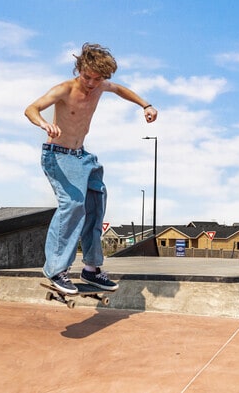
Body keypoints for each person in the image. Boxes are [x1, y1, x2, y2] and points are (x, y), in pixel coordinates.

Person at [24, 43, 158, 294]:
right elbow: (31, 109)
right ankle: (55, 269)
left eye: (97, 79)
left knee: (95, 206)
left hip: (82, 157)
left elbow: (120, 89)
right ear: (79, 68)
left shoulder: (101, 86)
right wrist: (44, 124)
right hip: (58, 156)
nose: (91, 83)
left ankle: (92, 269)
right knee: (73, 205)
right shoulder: (64, 89)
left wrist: (146, 105)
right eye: (87, 77)